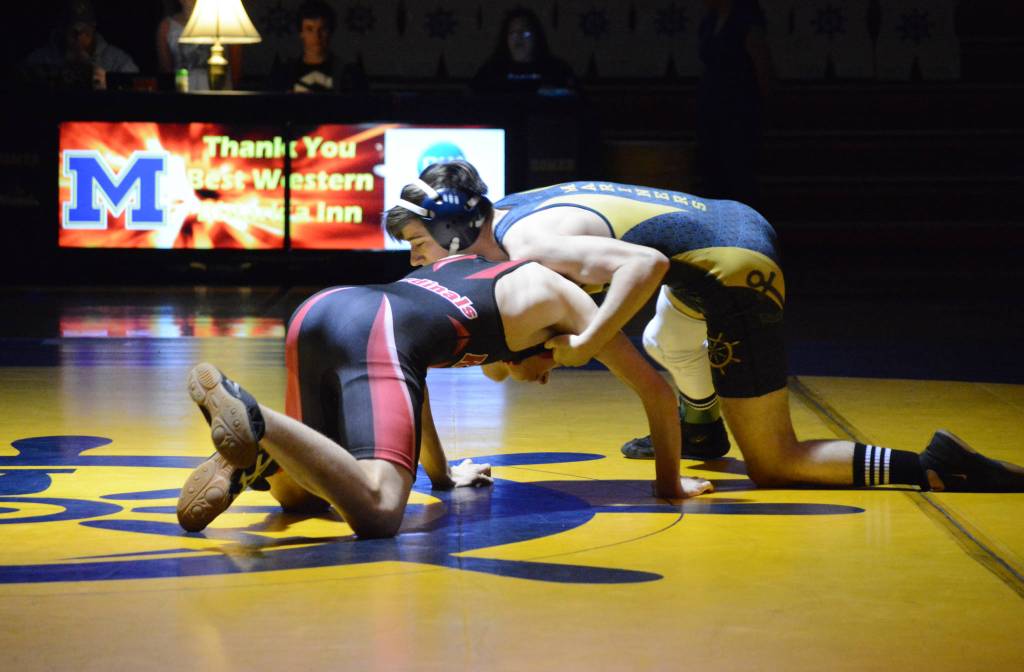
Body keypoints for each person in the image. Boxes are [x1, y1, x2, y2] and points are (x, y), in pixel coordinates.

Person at [385, 160, 1024, 495]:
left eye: (417, 243)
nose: (413, 258)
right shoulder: (499, 223)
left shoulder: (532, 246)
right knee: (665, 340)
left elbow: (646, 264)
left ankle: (938, 466)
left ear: (452, 230)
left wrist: (585, 344)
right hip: (718, 230)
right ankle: (700, 428)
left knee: (776, 461)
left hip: (731, 267)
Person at [178, 202, 713, 535]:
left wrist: (443, 476)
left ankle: (253, 459)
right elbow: (656, 393)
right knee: (381, 511)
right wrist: (669, 484)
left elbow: (414, 388)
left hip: (325, 307)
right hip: (380, 329)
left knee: (302, 497)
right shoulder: (565, 298)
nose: (545, 376)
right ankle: (257, 421)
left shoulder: (462, 268)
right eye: (549, 369)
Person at [696, 0, 773, 209]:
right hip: (712, 108)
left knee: (738, 171)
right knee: (714, 171)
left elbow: (762, 65)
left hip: (739, 108)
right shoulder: (709, 21)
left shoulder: (746, 18)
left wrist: (762, 106)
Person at [20, 0, 138, 90]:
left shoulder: (117, 62)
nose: (79, 37)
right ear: (62, 28)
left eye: (85, 31)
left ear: (93, 27)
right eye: (73, 31)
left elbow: (135, 88)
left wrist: (102, 79)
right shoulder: (40, 60)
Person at [268, 0, 367, 93]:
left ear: (330, 31)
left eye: (322, 29)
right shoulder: (285, 73)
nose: (317, 36)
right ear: (301, 33)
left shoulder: (349, 74)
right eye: (309, 29)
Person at [470, 7, 575, 94]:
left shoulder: (556, 69)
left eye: (525, 33)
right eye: (513, 33)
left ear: (536, 38)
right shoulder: (491, 70)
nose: (518, 37)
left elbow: (577, 99)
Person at [156, 0, 214, 91]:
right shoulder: (167, 26)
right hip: (181, 85)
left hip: (211, 86)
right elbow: (166, 68)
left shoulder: (214, 23)